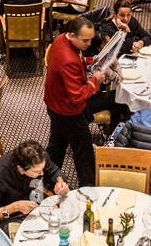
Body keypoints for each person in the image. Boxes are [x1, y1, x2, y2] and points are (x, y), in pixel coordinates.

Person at [43, 15, 118, 187]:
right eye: (85, 40)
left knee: (56, 148)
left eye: (90, 40)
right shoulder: (67, 60)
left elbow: (79, 59)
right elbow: (78, 95)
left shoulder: (62, 39)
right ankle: (89, 189)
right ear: (73, 35)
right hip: (68, 111)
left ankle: (47, 184)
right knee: (83, 153)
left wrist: (92, 60)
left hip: (55, 105)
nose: (89, 44)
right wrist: (96, 80)